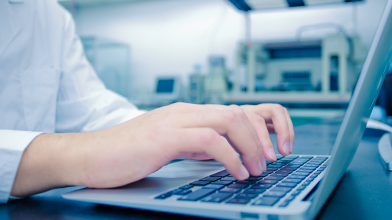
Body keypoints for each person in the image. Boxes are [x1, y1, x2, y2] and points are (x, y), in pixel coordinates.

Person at [0, 0, 294, 203]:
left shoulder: (48, 13)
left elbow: (92, 111)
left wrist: (197, 128)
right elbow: (92, 144)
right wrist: (83, 155)